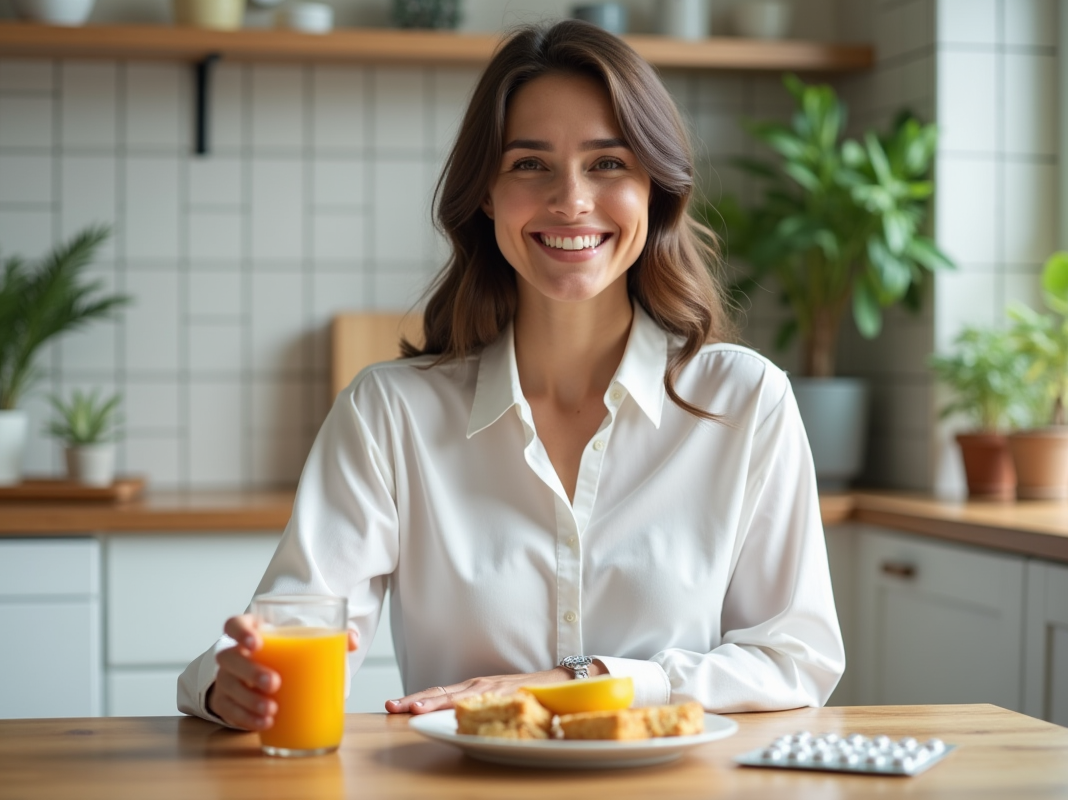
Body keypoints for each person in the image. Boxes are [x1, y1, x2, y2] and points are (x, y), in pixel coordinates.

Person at [179, 19, 844, 730]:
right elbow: (289, 627)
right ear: (487, 194)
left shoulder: (744, 402)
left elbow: (795, 658)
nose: (571, 200)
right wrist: (235, 688)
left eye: (608, 163)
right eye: (530, 164)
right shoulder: (390, 413)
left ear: (656, 188)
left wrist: (578, 682)